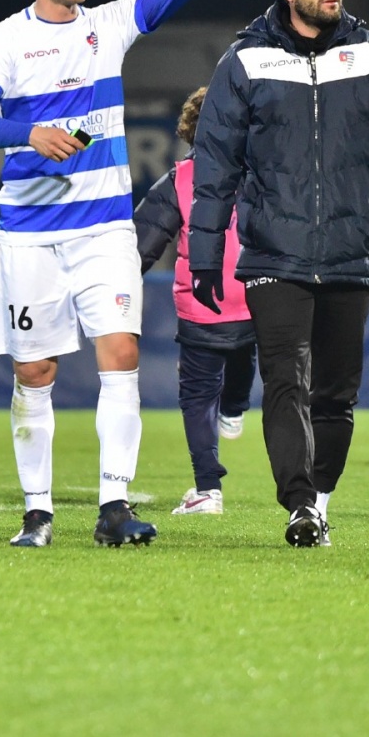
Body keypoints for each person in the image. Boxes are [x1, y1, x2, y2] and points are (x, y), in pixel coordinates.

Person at [0, 0, 230, 549]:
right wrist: (28, 134)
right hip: (29, 233)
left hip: (105, 229)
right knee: (35, 371)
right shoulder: (6, 40)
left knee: (121, 352)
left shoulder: (107, 25)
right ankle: (38, 512)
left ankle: (114, 507)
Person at [189, 0, 369, 548]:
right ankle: (298, 504)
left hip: (350, 251)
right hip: (275, 252)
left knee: (336, 394)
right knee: (286, 380)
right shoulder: (245, 61)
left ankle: (319, 503)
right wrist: (205, 252)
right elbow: (214, 164)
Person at [133, 86, 256, 516]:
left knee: (198, 394)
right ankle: (236, 407)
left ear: (191, 128)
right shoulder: (266, 174)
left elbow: (142, 244)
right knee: (244, 348)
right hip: (258, 294)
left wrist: (114, 285)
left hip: (203, 301)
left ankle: (208, 490)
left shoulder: (181, 179)